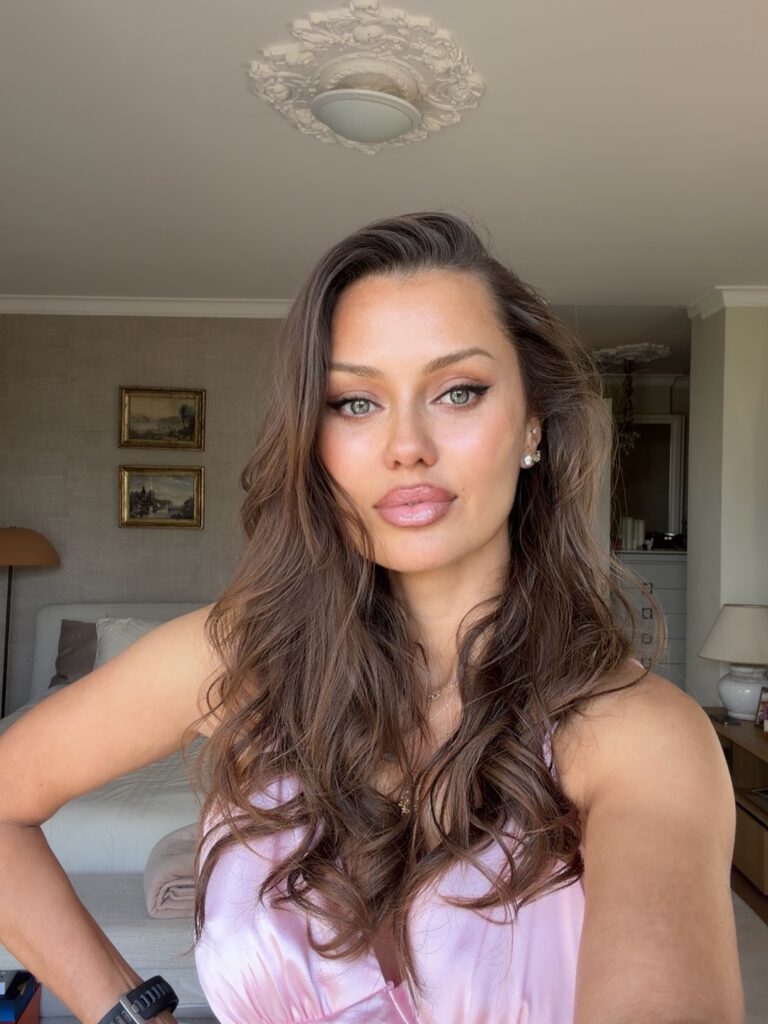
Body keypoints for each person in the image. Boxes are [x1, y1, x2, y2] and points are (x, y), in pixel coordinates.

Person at [0, 212, 743, 1024]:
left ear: (533, 422)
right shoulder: (240, 657)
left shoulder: (639, 736)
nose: (406, 446)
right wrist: (129, 1010)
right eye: (355, 402)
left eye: (458, 392)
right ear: (314, 442)